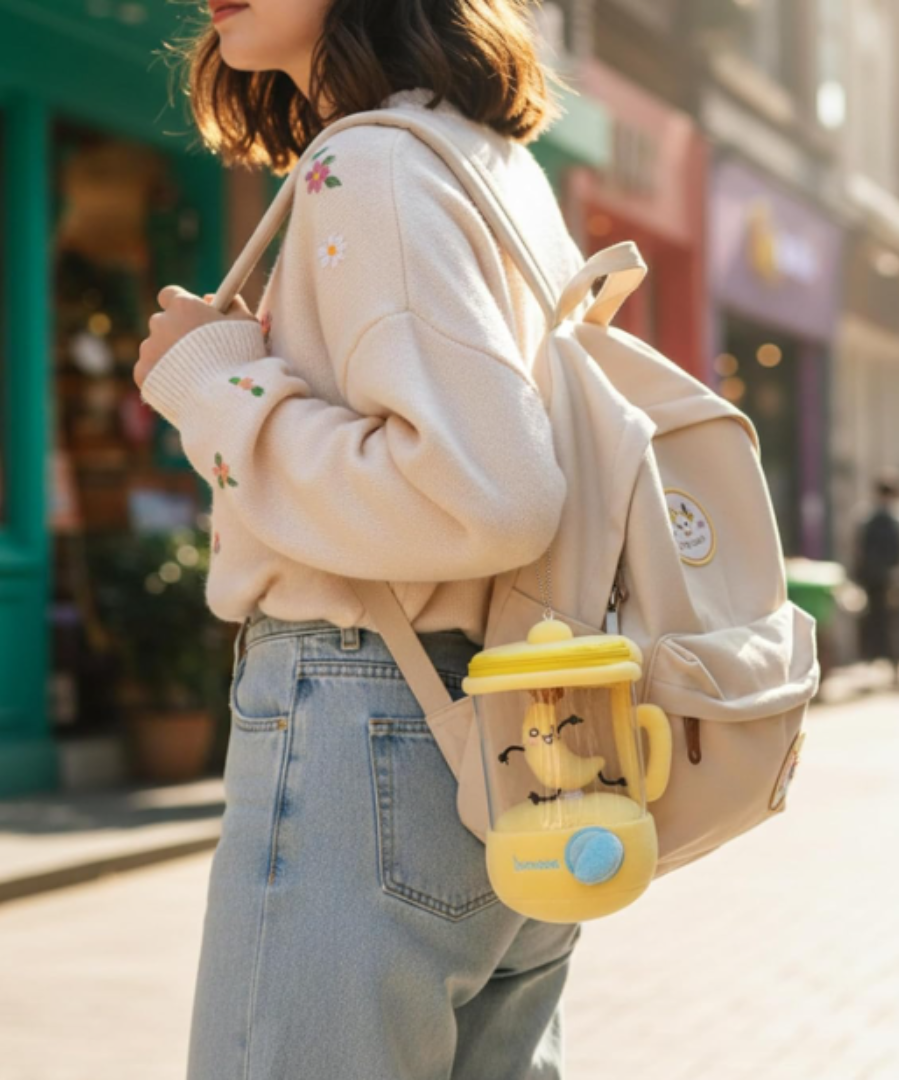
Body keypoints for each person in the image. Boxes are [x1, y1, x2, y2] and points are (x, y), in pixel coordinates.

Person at [133, 3, 584, 1077]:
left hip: (363, 715)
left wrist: (216, 382)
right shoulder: (484, 158)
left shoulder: (370, 166)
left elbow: (488, 492)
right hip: (518, 723)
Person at [852, 469, 899, 687]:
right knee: (898, 622)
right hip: (898, 578)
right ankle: (897, 665)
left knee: (874, 620)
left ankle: (874, 661)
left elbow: (855, 547)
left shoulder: (864, 514)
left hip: (872, 578)